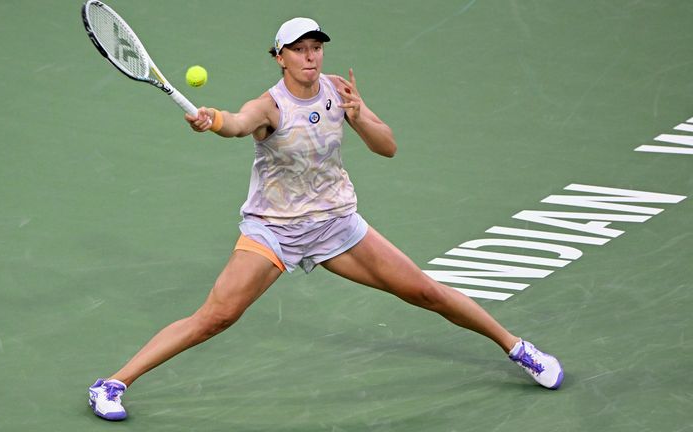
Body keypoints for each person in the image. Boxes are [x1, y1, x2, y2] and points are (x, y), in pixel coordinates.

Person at [88, 17, 564, 421]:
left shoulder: (338, 90)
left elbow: (388, 147)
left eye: (316, 48)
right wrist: (211, 119)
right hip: (273, 230)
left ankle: (517, 348)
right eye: (300, 50)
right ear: (280, 57)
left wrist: (358, 116)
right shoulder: (270, 106)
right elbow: (236, 123)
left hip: (337, 224)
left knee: (424, 290)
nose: (312, 57)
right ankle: (111, 384)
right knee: (216, 318)